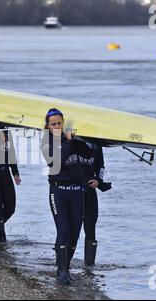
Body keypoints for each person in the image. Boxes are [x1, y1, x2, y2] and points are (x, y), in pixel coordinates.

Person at [41, 108, 93, 284]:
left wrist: (80, 139)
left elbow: (89, 154)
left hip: (77, 191)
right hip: (58, 191)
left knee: (75, 233)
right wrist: (70, 142)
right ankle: (62, 271)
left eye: (59, 123)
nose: (56, 126)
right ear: (47, 126)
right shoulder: (46, 142)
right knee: (63, 230)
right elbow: (56, 162)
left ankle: (65, 265)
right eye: (53, 124)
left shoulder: (71, 139)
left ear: (64, 124)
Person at [81, 143, 111, 267]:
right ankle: (62, 265)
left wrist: (98, 181)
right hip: (72, 190)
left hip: (90, 191)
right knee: (69, 229)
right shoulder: (72, 140)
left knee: (90, 228)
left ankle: (89, 267)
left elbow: (101, 166)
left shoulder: (96, 144)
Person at [0, 130, 21, 243]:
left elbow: (11, 155)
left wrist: (15, 173)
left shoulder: (7, 134)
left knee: (11, 208)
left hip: (5, 175)